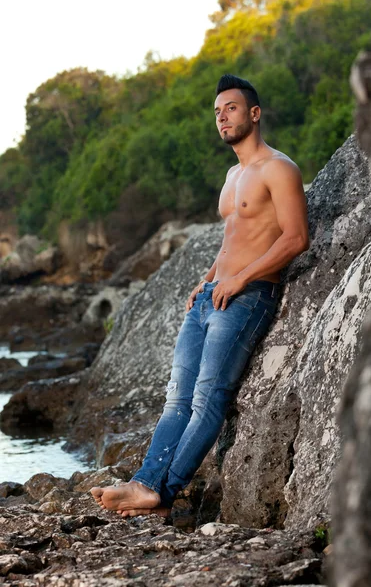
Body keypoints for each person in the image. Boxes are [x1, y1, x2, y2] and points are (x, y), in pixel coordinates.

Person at [91, 74, 309, 518]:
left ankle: (158, 491)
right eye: (216, 112)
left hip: (247, 297)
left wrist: (239, 279)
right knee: (177, 399)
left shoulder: (279, 169)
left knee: (208, 399)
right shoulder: (232, 175)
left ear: (254, 113)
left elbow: (295, 238)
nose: (221, 117)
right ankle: (146, 486)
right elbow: (234, 236)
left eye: (230, 108)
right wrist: (209, 277)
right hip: (212, 294)